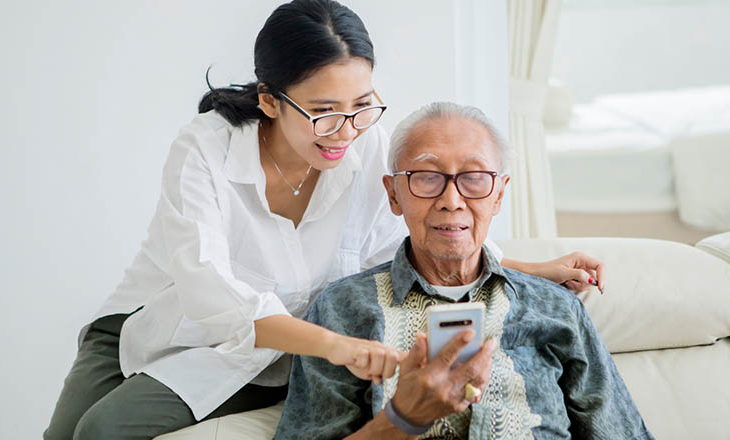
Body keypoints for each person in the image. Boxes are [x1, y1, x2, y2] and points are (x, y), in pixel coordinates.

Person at [44, 1, 606, 439]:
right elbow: (209, 294)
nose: (346, 130)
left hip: (267, 345)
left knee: (101, 430)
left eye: (361, 104)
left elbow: (403, 240)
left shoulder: (367, 145)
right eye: (322, 112)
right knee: (63, 432)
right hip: (159, 316)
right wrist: (336, 347)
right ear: (270, 100)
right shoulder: (205, 150)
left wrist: (533, 268)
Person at [275, 102, 652, 439]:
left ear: (499, 195)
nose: (451, 201)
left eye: (474, 178)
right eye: (426, 177)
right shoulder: (340, 310)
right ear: (393, 195)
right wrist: (401, 420)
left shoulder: (556, 308)